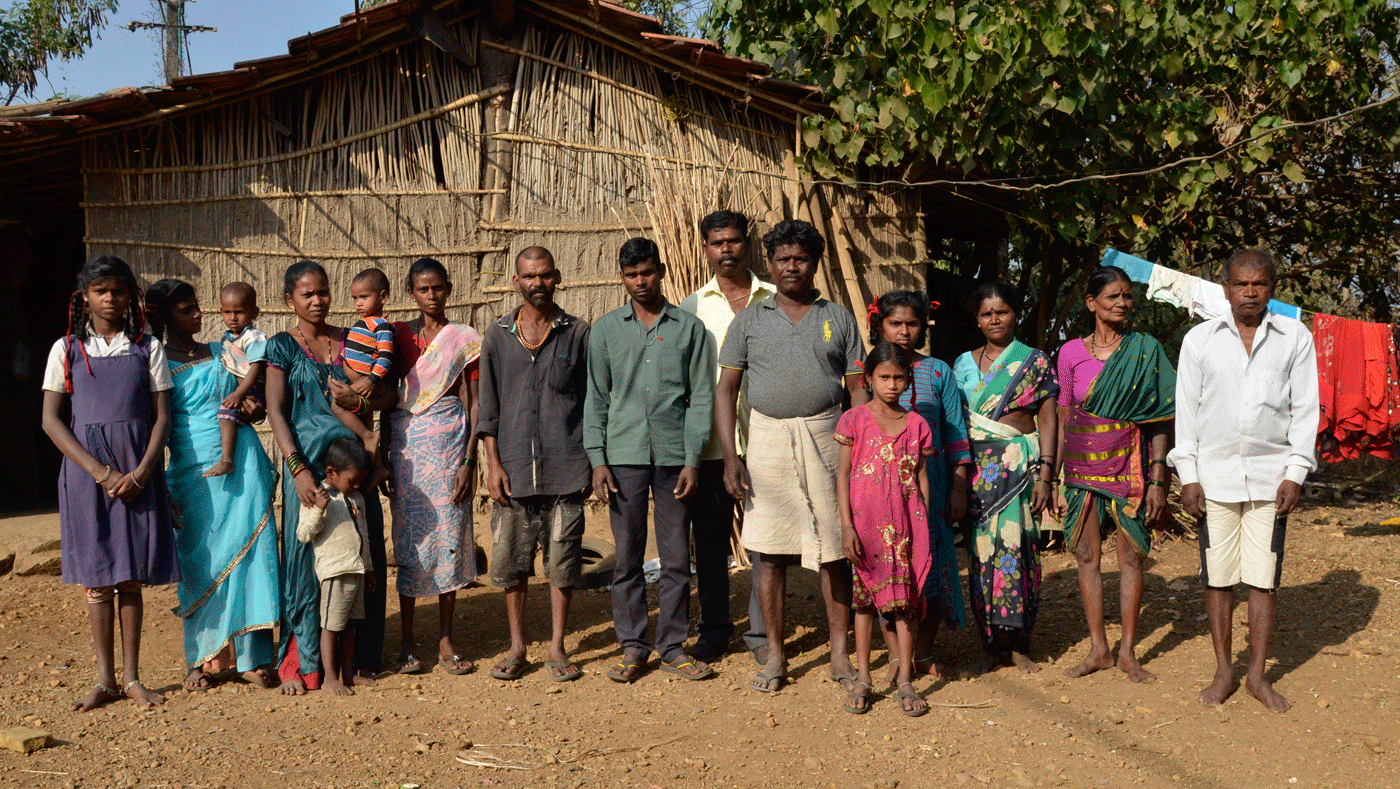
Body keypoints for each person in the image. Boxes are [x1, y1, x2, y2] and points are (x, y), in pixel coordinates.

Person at [716, 218, 867, 695]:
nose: (791, 267)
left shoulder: (837, 317)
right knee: (770, 554)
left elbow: (857, 388)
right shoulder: (750, 320)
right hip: (766, 443)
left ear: (814, 263)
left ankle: (841, 654)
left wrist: (858, 449)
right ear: (772, 264)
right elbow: (726, 391)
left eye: (801, 258)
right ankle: (776, 655)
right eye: (782, 259)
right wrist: (731, 457)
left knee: (834, 553)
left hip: (828, 438)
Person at [1170, 249, 1318, 713]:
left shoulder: (1295, 337)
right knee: (1218, 577)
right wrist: (1188, 474)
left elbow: (1305, 410)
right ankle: (1223, 671)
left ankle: (1257, 675)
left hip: (1271, 478)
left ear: (1272, 286)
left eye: (1258, 284)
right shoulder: (1199, 340)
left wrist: (1296, 472)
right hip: (1213, 479)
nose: (1249, 292)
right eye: (1240, 284)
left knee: (1263, 578)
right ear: (1225, 287)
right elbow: (1186, 412)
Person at [39, 255, 179, 711]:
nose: (111, 298)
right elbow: (50, 421)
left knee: (131, 575)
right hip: (87, 476)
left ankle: (134, 677)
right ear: (85, 297)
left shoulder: (147, 348)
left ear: (131, 296)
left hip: (138, 472)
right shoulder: (66, 350)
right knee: (99, 575)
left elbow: (162, 417)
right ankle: (104, 680)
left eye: (119, 290)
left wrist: (140, 473)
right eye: (101, 291)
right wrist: (101, 473)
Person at [585, 237, 716, 683]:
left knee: (677, 556)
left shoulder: (689, 329)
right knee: (626, 557)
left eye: (647, 272)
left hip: (675, 458)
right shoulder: (605, 331)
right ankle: (632, 646)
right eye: (631, 274)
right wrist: (597, 460)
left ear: (660, 270)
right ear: (621, 277)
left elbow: (701, 398)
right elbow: (596, 399)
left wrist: (693, 458)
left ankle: (673, 645)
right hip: (623, 457)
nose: (640, 281)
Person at [145, 279, 280, 692]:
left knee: (252, 556)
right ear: (167, 318)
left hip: (243, 463)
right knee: (200, 562)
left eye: (198, 307)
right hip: (193, 475)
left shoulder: (223, 351)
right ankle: (201, 658)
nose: (200, 315)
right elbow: (156, 426)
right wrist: (157, 487)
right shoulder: (155, 362)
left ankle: (253, 659)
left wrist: (254, 407)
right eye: (187, 309)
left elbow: (248, 400)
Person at [265, 260, 389, 694]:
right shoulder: (281, 345)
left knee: (360, 554)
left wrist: (372, 437)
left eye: (322, 292)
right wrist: (297, 469)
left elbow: (384, 391)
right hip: (310, 469)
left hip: (353, 469)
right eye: (306, 294)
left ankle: (360, 660)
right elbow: (277, 412)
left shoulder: (353, 339)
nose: (316, 300)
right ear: (289, 300)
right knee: (307, 567)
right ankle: (305, 664)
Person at [1056, 265, 1176, 683]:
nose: (1123, 303)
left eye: (1127, 295)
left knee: (1131, 557)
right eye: (1113, 296)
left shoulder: (1145, 351)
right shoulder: (1070, 352)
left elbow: (1162, 417)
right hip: (1081, 468)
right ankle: (1098, 649)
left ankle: (1127, 652)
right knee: (1087, 556)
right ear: (1092, 303)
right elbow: (1066, 412)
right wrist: (1054, 475)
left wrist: (1159, 479)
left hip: (1131, 465)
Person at [478, 248, 591, 682]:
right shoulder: (498, 335)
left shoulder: (577, 333)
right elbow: (487, 407)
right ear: (515, 281)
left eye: (545, 274)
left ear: (557, 277)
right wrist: (493, 462)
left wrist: (590, 463)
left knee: (563, 563)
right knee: (511, 564)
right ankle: (517, 645)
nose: (537, 283)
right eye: (529, 276)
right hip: (512, 470)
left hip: (565, 467)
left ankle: (559, 647)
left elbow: (591, 402)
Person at [678, 210, 777, 664]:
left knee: (764, 542)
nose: (726, 250)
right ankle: (715, 630)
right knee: (712, 542)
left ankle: (761, 634)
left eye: (734, 241)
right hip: (714, 447)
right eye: (717, 243)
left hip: (768, 440)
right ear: (705, 248)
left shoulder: (777, 298)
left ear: (747, 245)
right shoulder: (691, 308)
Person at [952, 284, 1060, 674]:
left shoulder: (1035, 361)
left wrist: (1047, 474)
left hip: (1020, 471)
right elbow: (954, 422)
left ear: (1016, 314)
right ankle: (991, 645)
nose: (994, 319)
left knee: (1020, 554)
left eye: (1002, 312)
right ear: (977, 319)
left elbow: (1049, 418)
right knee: (981, 558)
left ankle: (1018, 643)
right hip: (977, 472)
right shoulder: (961, 365)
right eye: (986, 314)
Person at [386, 258, 482, 676]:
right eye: (423, 289)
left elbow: (476, 402)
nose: (432, 296)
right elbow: (383, 393)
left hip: (448, 452)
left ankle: (445, 639)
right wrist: (382, 457)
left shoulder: (463, 338)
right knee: (410, 544)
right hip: (406, 453)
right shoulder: (394, 336)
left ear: (448, 289)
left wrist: (469, 460)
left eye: (438, 288)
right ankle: (407, 640)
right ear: (411, 293)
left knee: (450, 540)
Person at [870, 290, 971, 682]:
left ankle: (924, 654)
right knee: (887, 567)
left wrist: (958, 486)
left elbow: (955, 431)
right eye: (896, 323)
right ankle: (898, 657)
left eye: (912, 323)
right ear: (882, 324)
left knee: (929, 565)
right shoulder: (871, 369)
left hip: (930, 487)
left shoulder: (938, 372)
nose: (904, 331)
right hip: (880, 488)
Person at [836, 342, 934, 717]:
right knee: (863, 603)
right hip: (866, 529)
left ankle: (906, 679)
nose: (892, 385)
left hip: (907, 529)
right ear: (869, 379)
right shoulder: (854, 420)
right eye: (884, 377)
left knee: (906, 604)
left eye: (899, 377)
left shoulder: (916, 424)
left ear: (908, 380)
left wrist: (922, 525)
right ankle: (864, 678)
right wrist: (847, 527)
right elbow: (843, 475)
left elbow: (922, 479)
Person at [297, 438, 376, 696]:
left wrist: (370, 568)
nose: (356, 486)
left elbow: (363, 532)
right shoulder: (316, 497)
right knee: (332, 626)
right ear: (331, 472)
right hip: (334, 572)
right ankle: (330, 677)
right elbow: (304, 534)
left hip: (357, 571)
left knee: (351, 626)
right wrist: (319, 509)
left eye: (359, 482)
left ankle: (348, 673)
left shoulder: (356, 498)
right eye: (352, 480)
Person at [337, 267, 395, 485]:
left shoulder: (382, 326)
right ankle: (378, 467)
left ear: (383, 297)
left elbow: (386, 357)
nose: (358, 303)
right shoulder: (366, 323)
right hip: (360, 381)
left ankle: (370, 439)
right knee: (367, 420)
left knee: (338, 404)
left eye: (364, 297)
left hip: (368, 382)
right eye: (355, 298)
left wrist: (372, 379)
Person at [206, 281, 266, 478]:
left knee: (225, 414)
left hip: (252, 390)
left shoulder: (253, 337)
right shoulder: (228, 338)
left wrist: (239, 393)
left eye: (239, 312)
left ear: (254, 313)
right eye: (227, 312)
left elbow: (257, 367)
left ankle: (226, 460)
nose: (232, 318)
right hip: (242, 391)